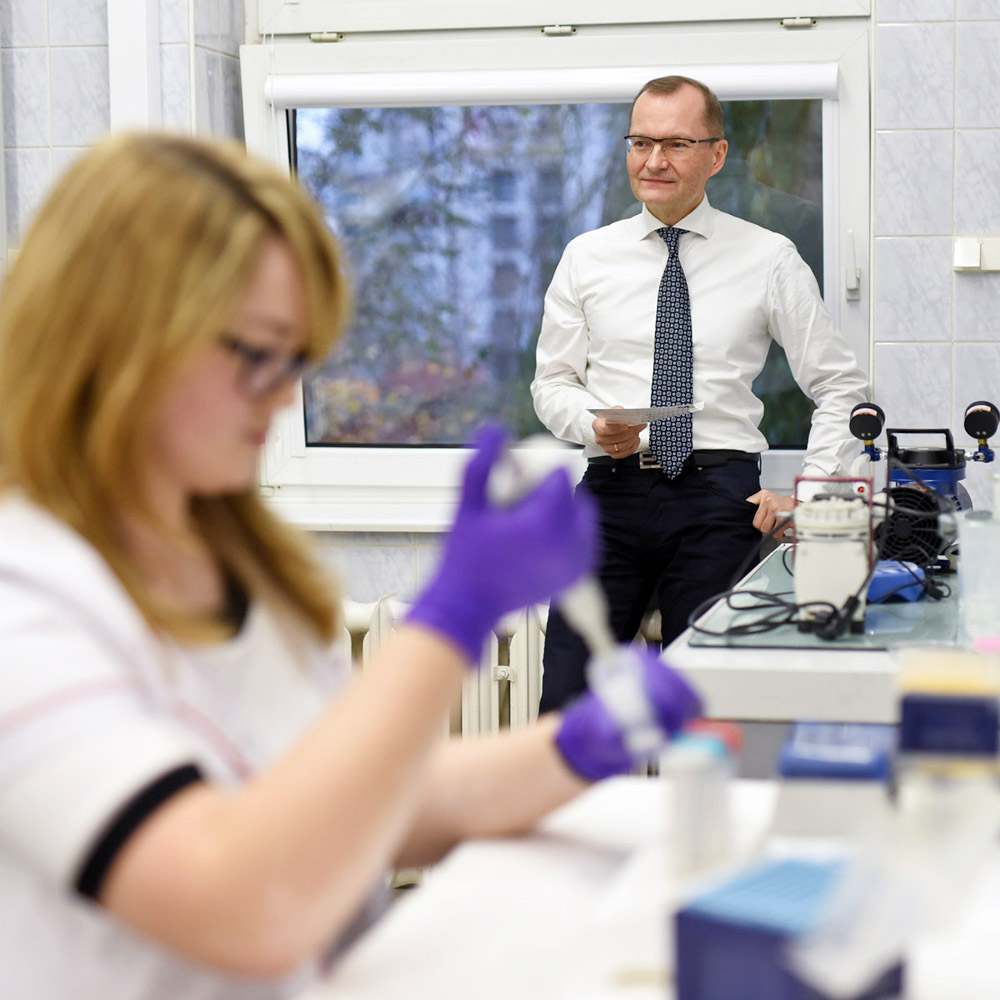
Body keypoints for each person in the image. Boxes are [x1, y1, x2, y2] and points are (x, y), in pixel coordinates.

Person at [0, 133, 702, 999]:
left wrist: (570, 749)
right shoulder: (24, 603)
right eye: (257, 353)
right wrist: (454, 614)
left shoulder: (246, 572)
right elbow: (239, 903)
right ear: (114, 337)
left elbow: (361, 806)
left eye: (300, 359)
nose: (286, 394)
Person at [531, 75, 869, 712]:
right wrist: (592, 424)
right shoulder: (586, 257)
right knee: (566, 704)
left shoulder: (769, 258)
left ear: (716, 155)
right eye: (641, 142)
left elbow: (842, 388)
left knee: (705, 704)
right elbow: (552, 384)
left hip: (719, 497)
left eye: (676, 144)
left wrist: (814, 492)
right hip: (611, 493)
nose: (653, 160)